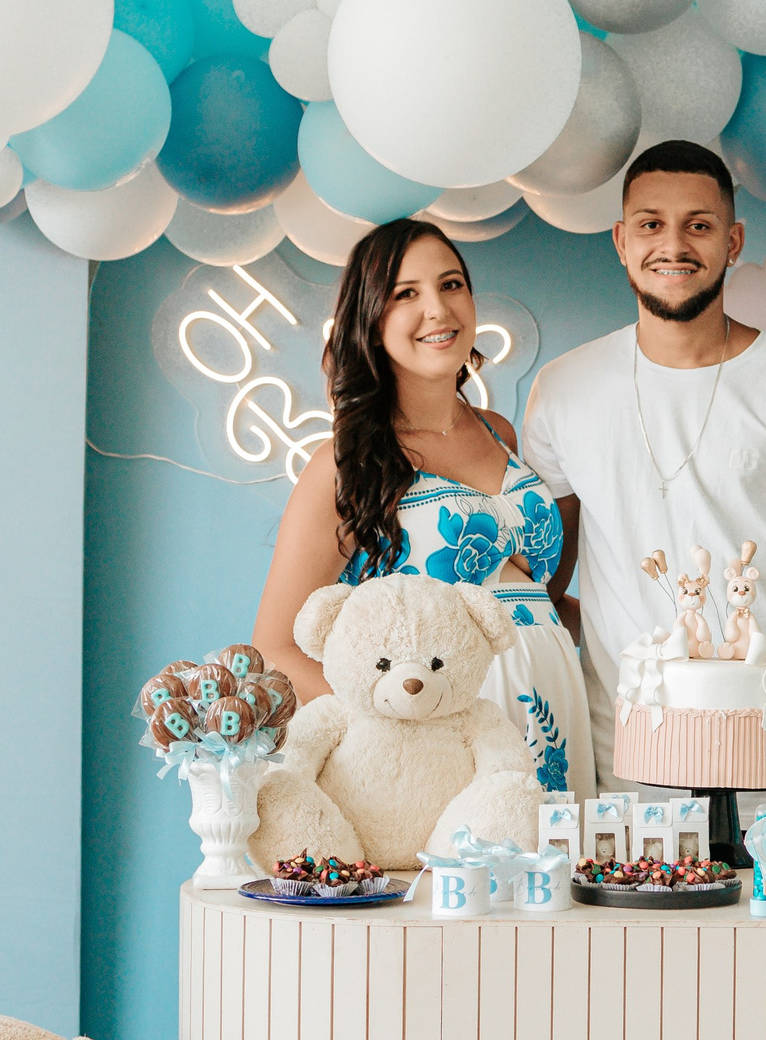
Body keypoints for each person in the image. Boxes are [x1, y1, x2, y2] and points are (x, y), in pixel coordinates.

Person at [522, 141, 766, 800]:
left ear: (734, 240)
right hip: (624, 768)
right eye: (652, 224)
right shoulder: (563, 389)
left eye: (700, 224)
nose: (674, 244)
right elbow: (545, 579)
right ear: (621, 240)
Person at [255, 218, 595, 796]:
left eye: (452, 284)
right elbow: (276, 647)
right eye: (405, 294)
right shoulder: (347, 461)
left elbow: (534, 598)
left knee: (554, 882)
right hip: (433, 747)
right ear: (372, 318)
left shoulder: (501, 432)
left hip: (553, 712)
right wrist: (396, 726)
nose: (438, 309)